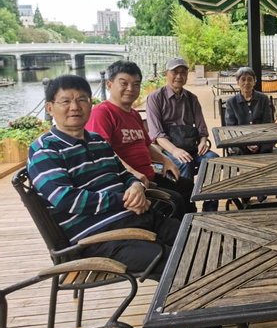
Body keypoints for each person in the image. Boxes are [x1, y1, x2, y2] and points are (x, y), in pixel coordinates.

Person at [27, 74, 180, 281]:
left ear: (90, 104)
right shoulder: (45, 150)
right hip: (101, 239)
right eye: (66, 101)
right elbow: (66, 199)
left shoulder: (97, 141)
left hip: (140, 219)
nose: (75, 107)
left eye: (82, 99)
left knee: (197, 238)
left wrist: (136, 187)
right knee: (181, 263)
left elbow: (124, 174)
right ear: (50, 108)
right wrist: (124, 200)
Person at [86, 60, 200, 217]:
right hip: (128, 184)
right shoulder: (102, 113)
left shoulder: (133, 114)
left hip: (149, 176)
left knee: (187, 186)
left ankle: (192, 224)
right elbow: (103, 155)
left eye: (136, 84)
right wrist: (132, 174)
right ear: (109, 85)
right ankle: (177, 228)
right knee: (176, 200)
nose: (130, 89)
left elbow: (147, 145)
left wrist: (165, 160)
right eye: (124, 83)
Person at [146, 57, 218, 181]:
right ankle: (187, 194)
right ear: (166, 73)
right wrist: (175, 150)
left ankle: (209, 194)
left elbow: (202, 129)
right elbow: (157, 135)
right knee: (185, 163)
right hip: (167, 149)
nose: (179, 76)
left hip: (191, 147)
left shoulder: (192, 98)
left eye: (183, 73)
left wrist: (202, 142)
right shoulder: (155, 98)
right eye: (175, 72)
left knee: (213, 159)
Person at [225, 66, 274, 155]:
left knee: (266, 148)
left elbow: (267, 123)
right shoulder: (231, 102)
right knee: (239, 150)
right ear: (238, 82)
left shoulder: (263, 99)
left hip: (262, 138)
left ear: (255, 81)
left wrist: (257, 142)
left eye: (250, 79)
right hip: (240, 140)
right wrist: (247, 143)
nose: (246, 82)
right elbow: (231, 128)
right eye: (243, 79)